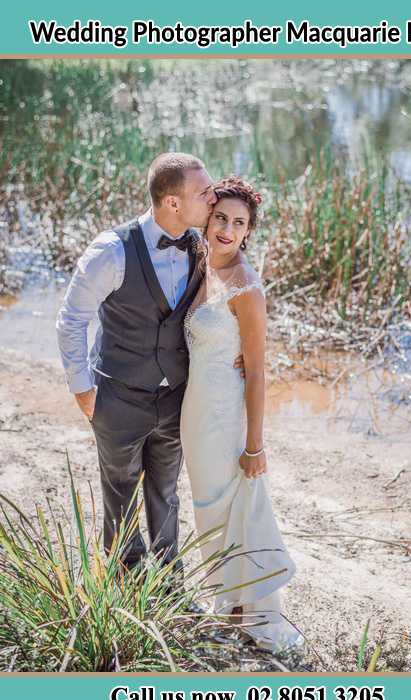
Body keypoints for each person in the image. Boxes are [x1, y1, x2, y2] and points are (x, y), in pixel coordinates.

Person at [56, 152, 243, 576]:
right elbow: (71, 319)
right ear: (173, 203)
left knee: (165, 489)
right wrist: (83, 390)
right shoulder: (111, 251)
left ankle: (167, 573)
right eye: (203, 192)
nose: (213, 198)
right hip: (118, 397)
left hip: (176, 397)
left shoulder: (201, 246)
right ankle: (125, 573)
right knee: (120, 490)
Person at [180, 176, 303, 653]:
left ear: (249, 231)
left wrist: (255, 444)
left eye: (239, 223)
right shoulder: (199, 261)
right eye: (221, 219)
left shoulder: (247, 288)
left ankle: (249, 610)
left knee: (235, 505)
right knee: (207, 509)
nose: (227, 229)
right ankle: (226, 603)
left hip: (226, 416)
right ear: (207, 220)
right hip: (195, 413)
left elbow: (257, 373)